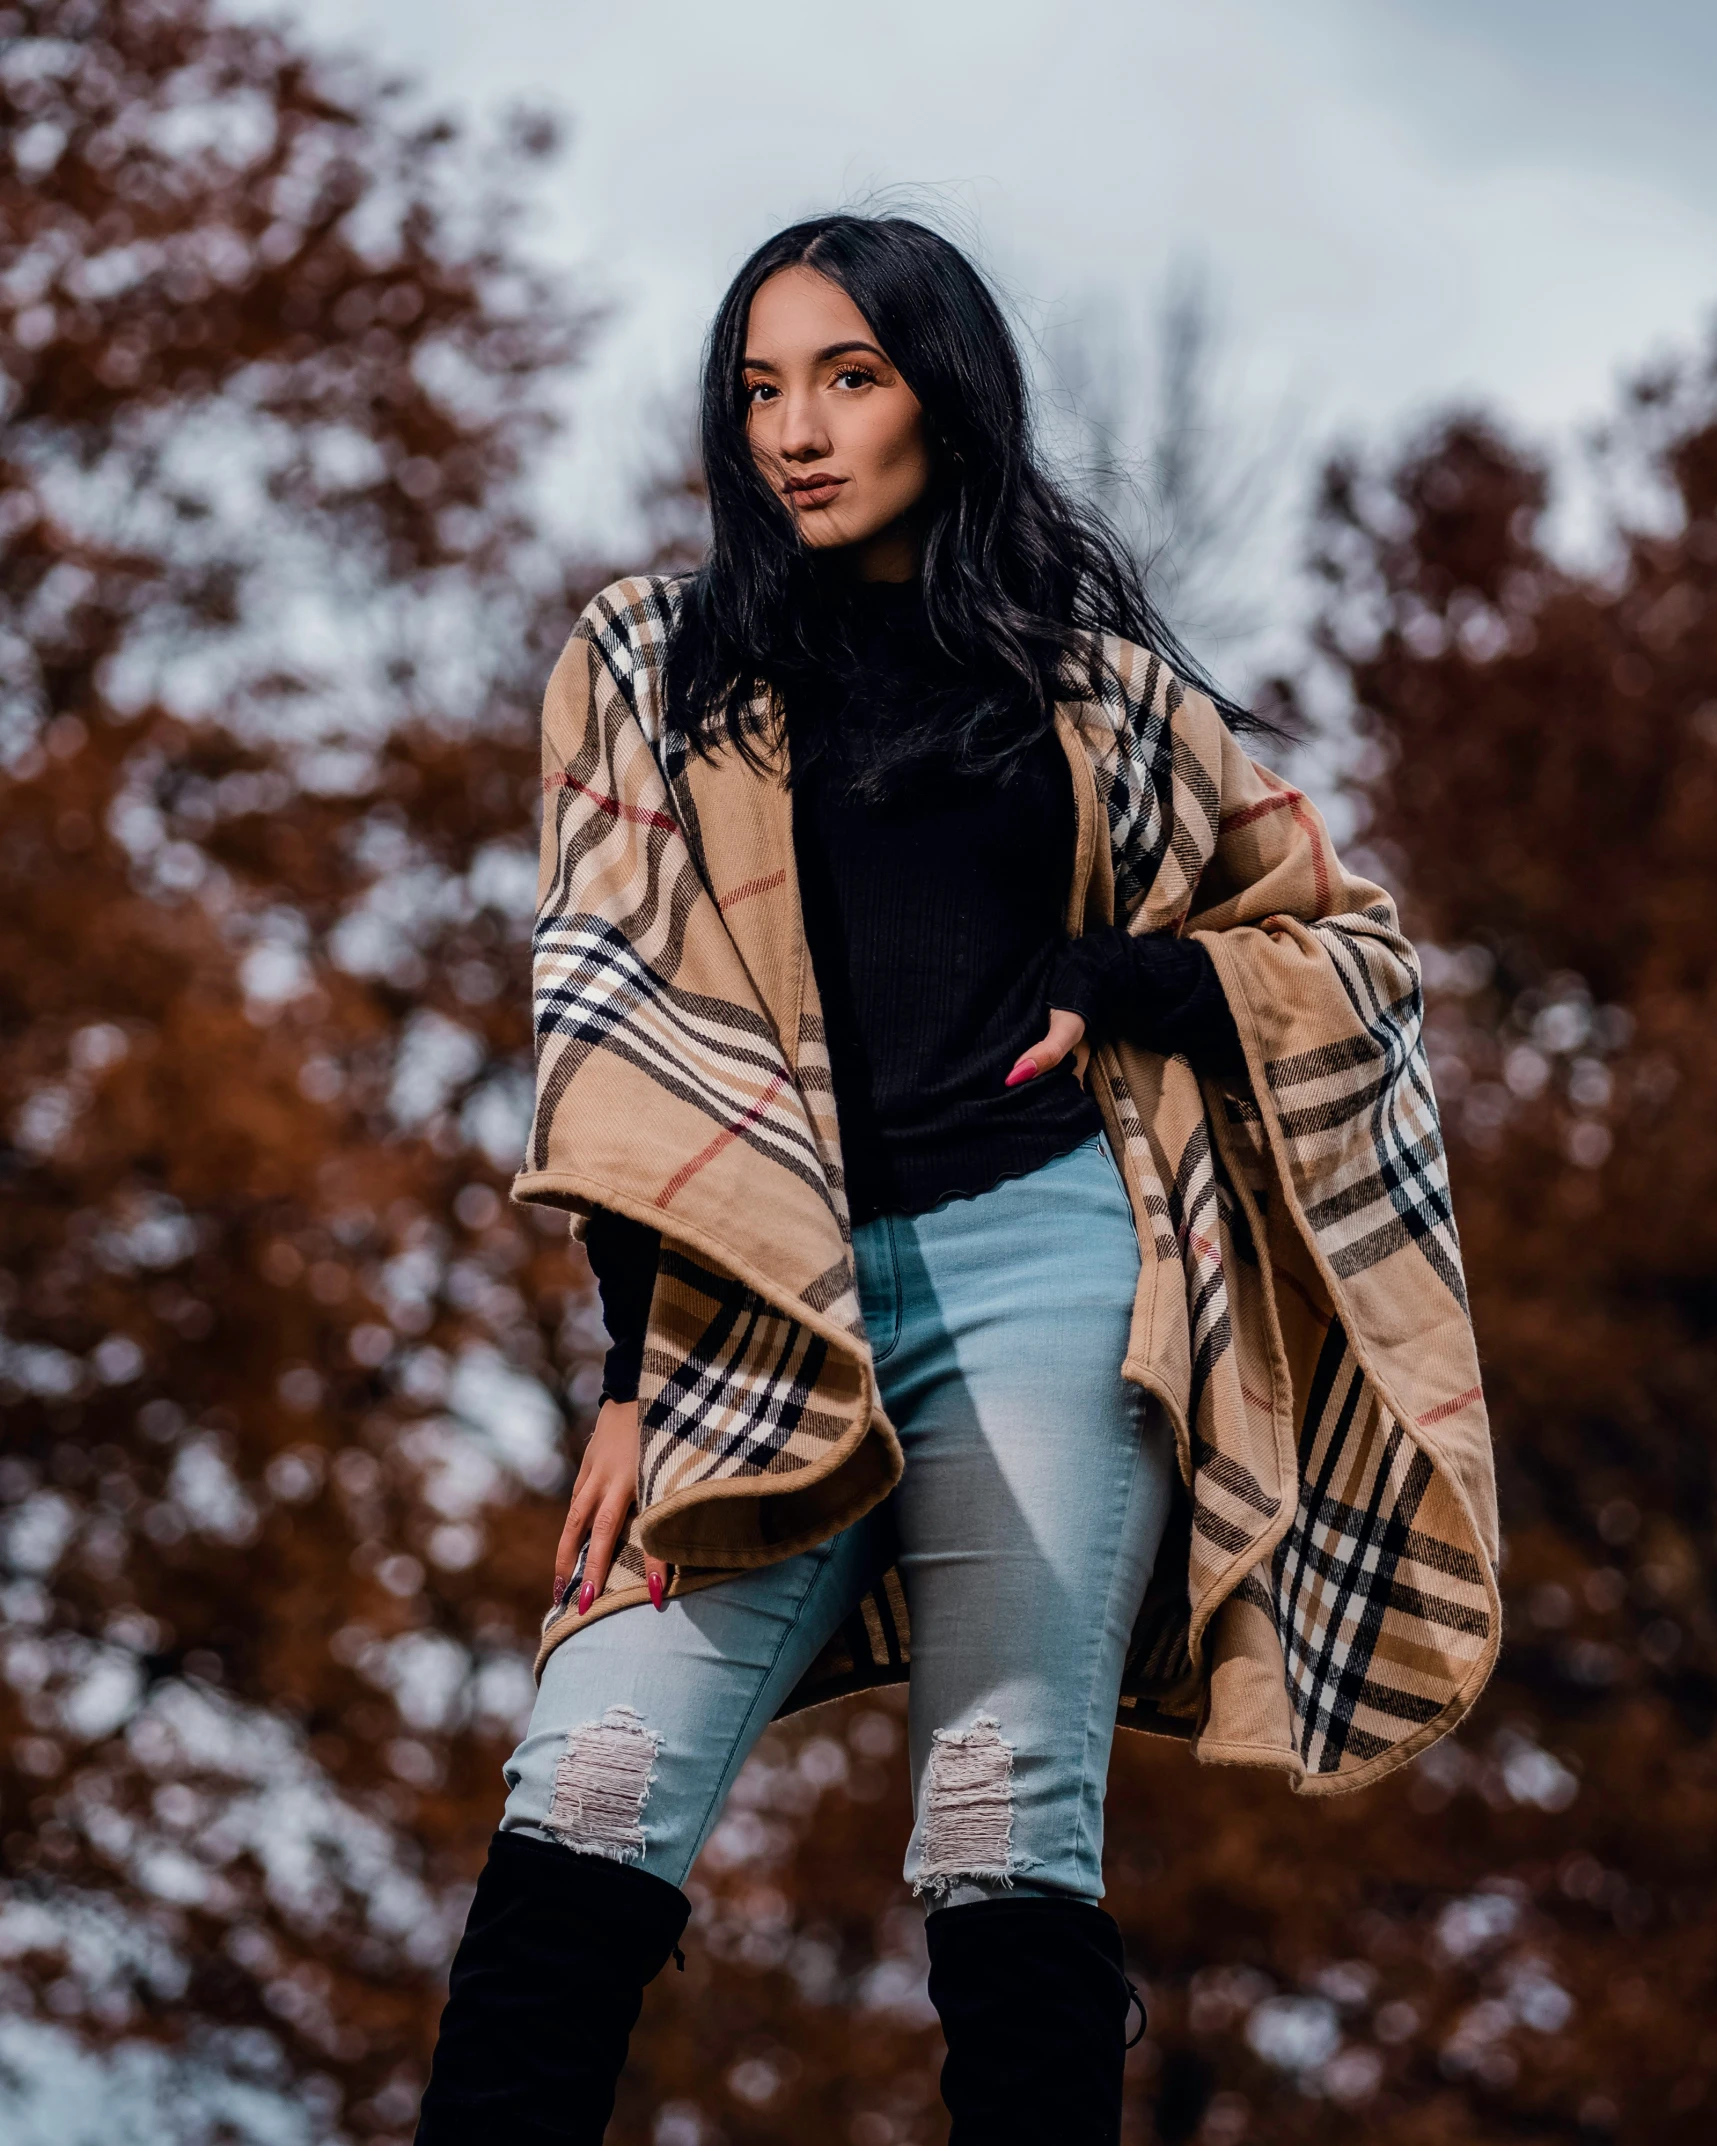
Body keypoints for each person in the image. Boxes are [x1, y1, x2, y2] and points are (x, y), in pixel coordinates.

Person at [414, 216, 1498, 2146]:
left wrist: (1137, 976)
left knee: (1007, 1831)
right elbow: (615, 1030)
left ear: (948, 395)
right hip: (763, 1298)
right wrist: (630, 1371)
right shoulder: (654, 663)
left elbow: (1356, 954)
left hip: (1051, 1279)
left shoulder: (1101, 699)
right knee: (585, 1783)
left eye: (850, 377)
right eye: (761, 388)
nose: (797, 431)